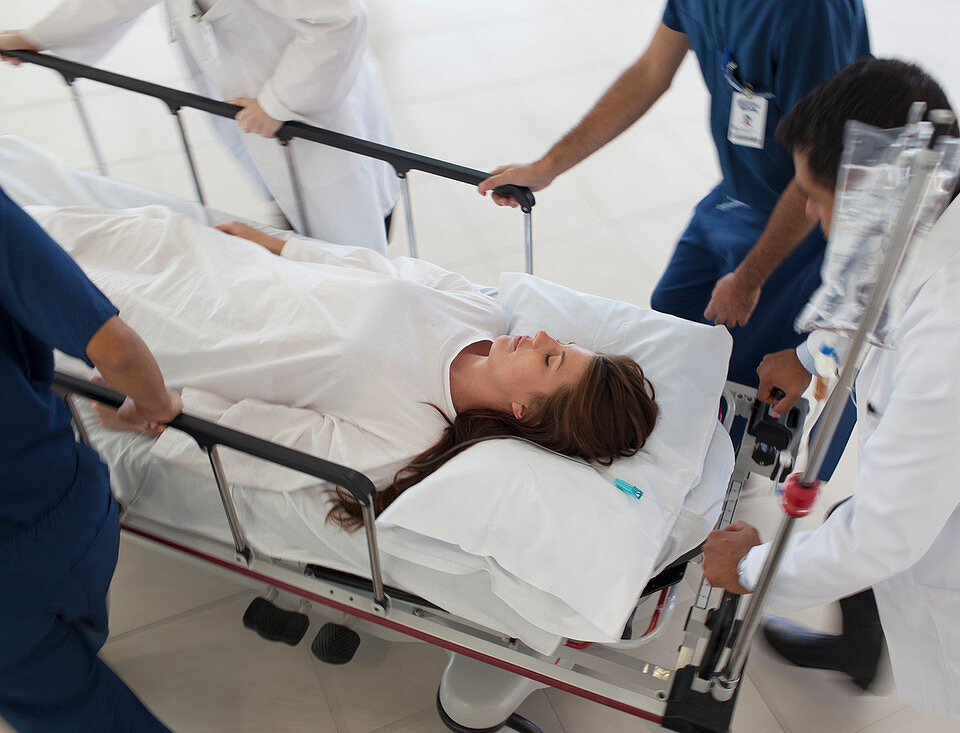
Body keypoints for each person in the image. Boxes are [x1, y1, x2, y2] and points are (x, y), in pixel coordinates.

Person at [701, 58, 960, 731]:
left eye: (818, 200)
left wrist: (751, 566)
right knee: (854, 522)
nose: (816, 218)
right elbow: (879, 268)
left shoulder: (959, 338)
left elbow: (886, 535)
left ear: (869, 198)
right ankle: (859, 649)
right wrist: (810, 355)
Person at [27, 205, 659, 522]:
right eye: (560, 344)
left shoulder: (412, 431)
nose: (540, 333)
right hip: (203, 259)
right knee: (34, 232)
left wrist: (159, 412)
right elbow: (372, 269)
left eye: (551, 358)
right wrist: (275, 242)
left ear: (525, 411)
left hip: (168, 330)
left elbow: (268, 442)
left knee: (30, 284)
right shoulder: (478, 312)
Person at [476, 0, 869, 479]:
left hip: (808, 216)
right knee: (672, 332)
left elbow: (826, 165)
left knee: (748, 377)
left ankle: (736, 500)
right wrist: (549, 165)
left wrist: (750, 276)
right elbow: (650, 71)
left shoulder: (806, 16)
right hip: (736, 193)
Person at [0, 0, 400, 252]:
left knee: (351, 227)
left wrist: (280, 101)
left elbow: (340, 16)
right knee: (305, 214)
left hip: (312, 102)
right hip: (264, 105)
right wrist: (37, 36)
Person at [0, 186, 182, 731]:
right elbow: (117, 349)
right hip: (70, 501)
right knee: (63, 621)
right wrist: (154, 405)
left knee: (59, 692)